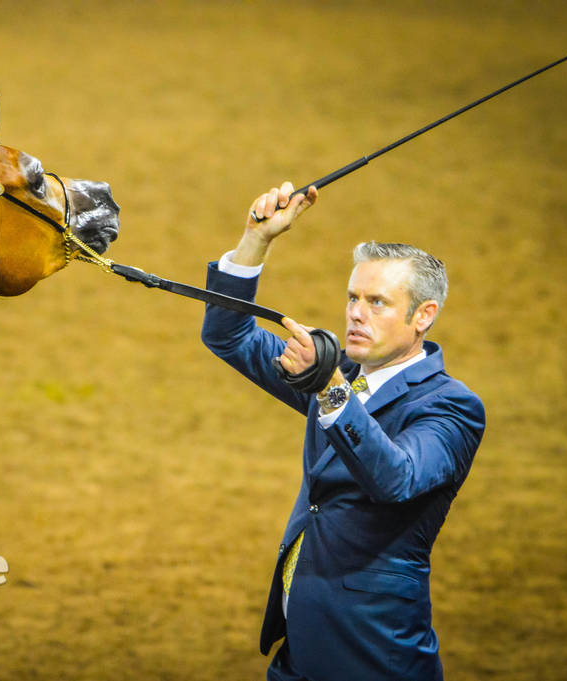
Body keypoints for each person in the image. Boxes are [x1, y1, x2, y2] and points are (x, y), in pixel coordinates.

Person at [200, 182, 485, 681]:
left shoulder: (451, 406)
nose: (355, 312)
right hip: (300, 649)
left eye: (377, 302)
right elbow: (228, 335)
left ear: (424, 316)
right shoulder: (337, 376)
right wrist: (255, 241)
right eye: (353, 297)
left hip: (373, 657)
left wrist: (330, 386)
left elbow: (395, 479)